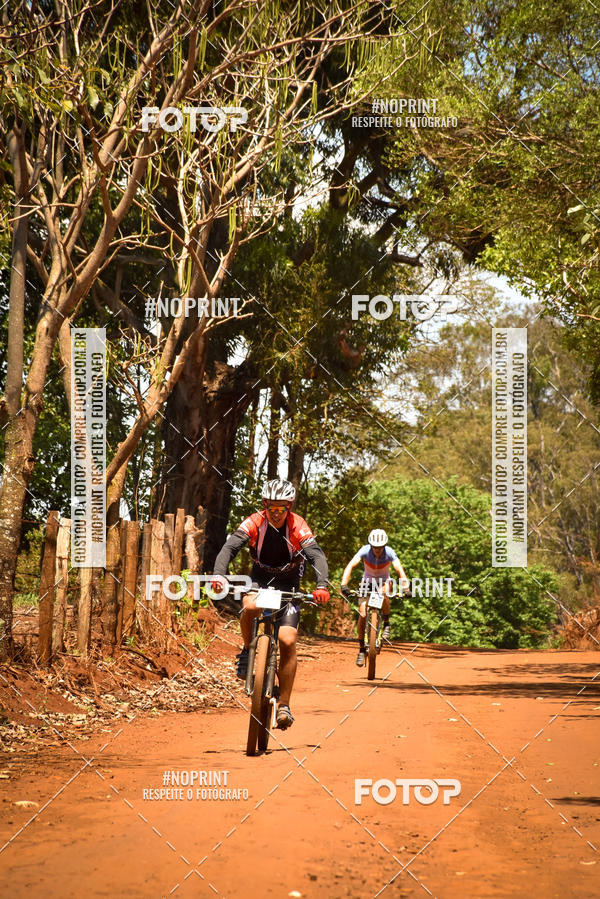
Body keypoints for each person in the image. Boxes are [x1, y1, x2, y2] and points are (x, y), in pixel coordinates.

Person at [212, 478, 329, 729]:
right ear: (264, 505)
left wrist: (322, 586)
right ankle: (247, 650)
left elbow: (316, 555)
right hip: (260, 578)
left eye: (282, 509)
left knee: (287, 640)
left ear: (290, 507)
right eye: (271, 508)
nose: (276, 514)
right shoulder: (255, 521)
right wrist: (219, 574)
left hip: (289, 582)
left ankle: (284, 705)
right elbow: (230, 547)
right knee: (251, 607)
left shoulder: (298, 525)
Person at [340, 528, 408, 667]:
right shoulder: (364, 550)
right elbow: (350, 566)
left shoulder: (389, 552)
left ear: (384, 546)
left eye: (380, 547)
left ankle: (387, 622)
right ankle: (360, 649)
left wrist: (406, 588)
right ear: (371, 545)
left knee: (384, 594)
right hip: (367, 582)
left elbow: (399, 570)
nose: (377, 550)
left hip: (384, 581)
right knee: (363, 613)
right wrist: (344, 585)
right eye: (375, 547)